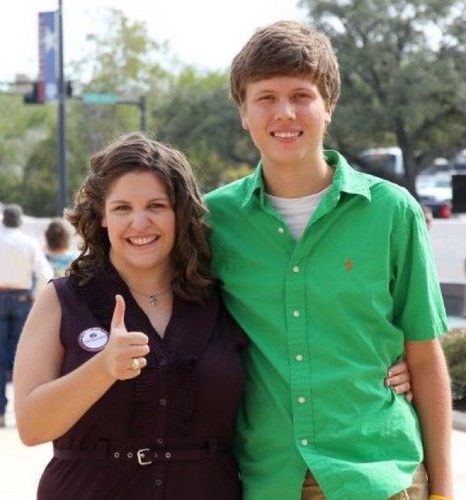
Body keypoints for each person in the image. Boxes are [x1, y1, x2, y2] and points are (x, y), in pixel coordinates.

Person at [204, 20, 452, 499]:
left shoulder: (391, 211)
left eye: (301, 95)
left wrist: (444, 491)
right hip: (267, 480)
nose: (285, 113)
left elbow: (424, 353)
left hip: (380, 477)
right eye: (266, 97)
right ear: (243, 111)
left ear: (328, 106)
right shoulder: (214, 221)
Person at [12, 132, 247, 500]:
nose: (140, 223)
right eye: (122, 208)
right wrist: (102, 368)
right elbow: (31, 426)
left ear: (179, 213)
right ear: (102, 216)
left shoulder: (224, 300)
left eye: (156, 206)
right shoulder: (61, 300)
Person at [0, 204, 54, 428]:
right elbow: (45, 273)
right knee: (23, 358)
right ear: (20, 222)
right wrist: (34, 297)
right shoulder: (30, 243)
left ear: (2, 221)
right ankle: (22, 412)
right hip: (22, 299)